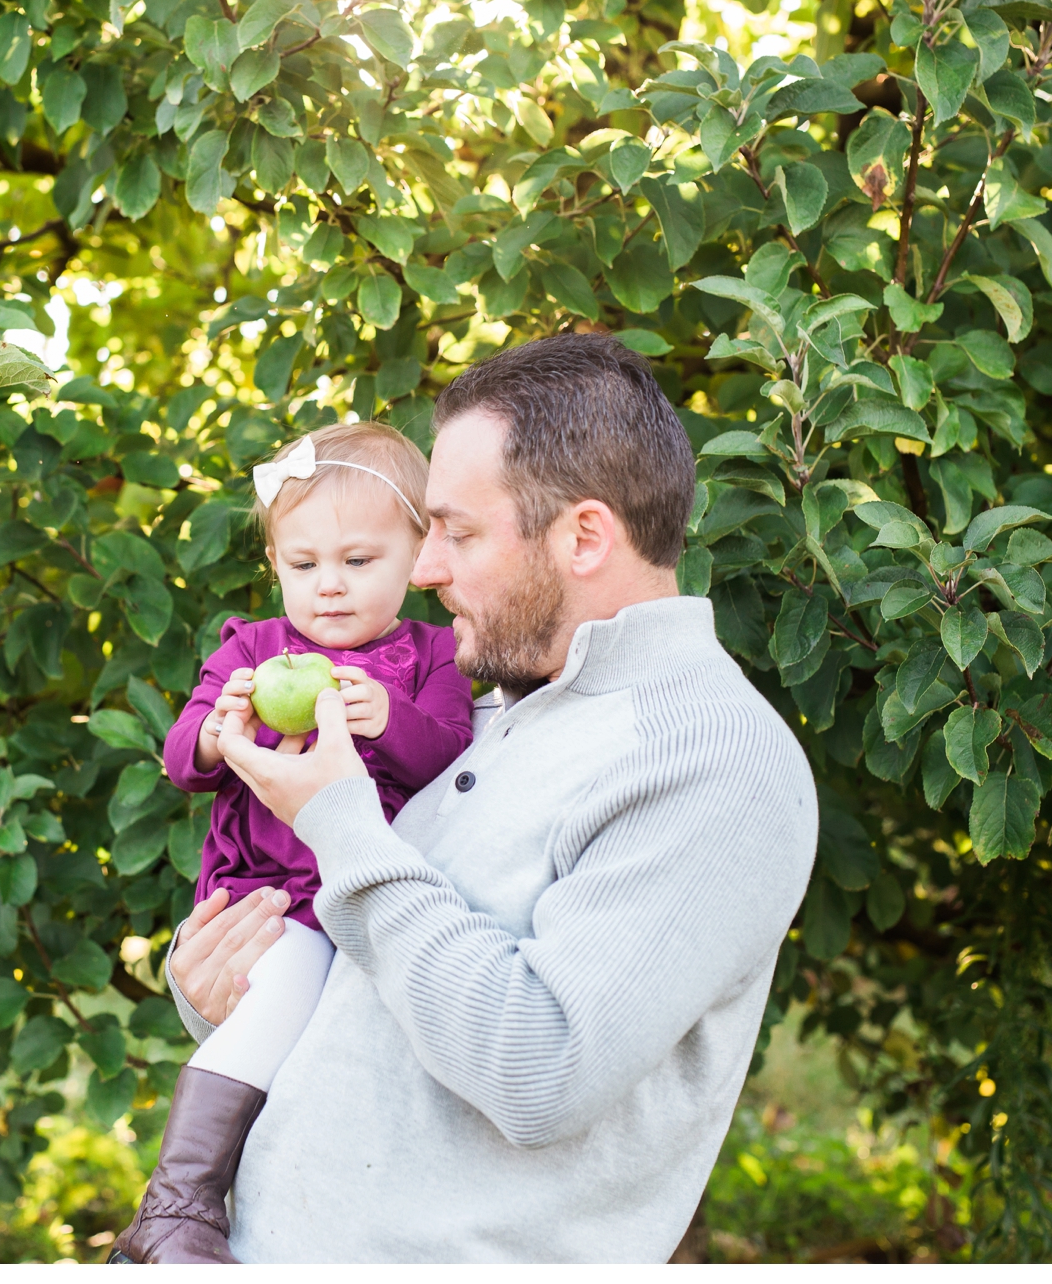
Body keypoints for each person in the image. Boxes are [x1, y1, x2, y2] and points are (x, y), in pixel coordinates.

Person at [165, 333, 819, 1262]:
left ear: (584, 536)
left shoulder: (712, 761)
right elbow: (402, 982)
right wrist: (230, 987)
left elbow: (539, 1069)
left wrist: (340, 822)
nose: (425, 569)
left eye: (459, 532)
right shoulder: (485, 713)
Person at [110, 423, 475, 1263]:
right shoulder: (253, 649)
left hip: (370, 894)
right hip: (272, 898)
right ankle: (178, 1202)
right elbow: (182, 760)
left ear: (418, 552)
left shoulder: (432, 658)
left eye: (358, 560)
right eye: (303, 565)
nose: (330, 587)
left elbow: (449, 755)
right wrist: (218, 728)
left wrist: (390, 722)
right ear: (275, 563)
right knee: (277, 1001)